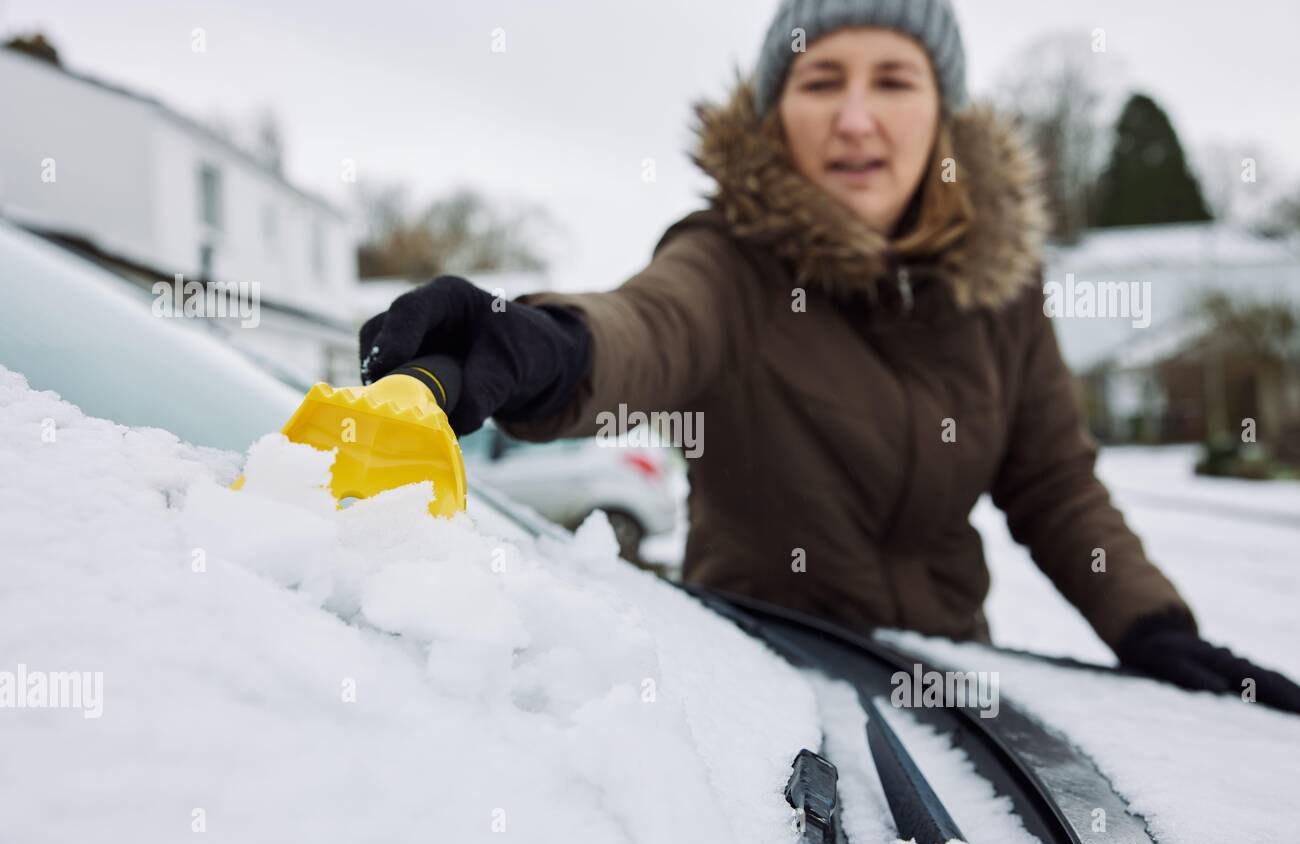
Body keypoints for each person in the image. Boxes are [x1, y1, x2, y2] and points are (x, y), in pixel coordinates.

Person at [359, 0, 1300, 713]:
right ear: (776, 116)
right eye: (820, 81)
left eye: (893, 80)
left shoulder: (1002, 293)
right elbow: (651, 325)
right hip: (767, 687)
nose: (856, 117)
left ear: (943, 112)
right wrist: (548, 344)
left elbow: (1056, 487)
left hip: (956, 693)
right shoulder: (732, 265)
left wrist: (1152, 625)